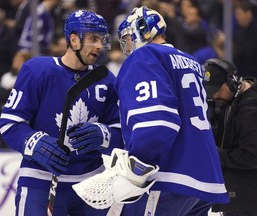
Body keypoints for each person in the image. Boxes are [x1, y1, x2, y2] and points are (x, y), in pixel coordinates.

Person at [0, 9, 123, 216]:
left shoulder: (106, 80)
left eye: (102, 39)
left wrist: (105, 135)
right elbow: (10, 123)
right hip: (40, 180)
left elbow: (122, 133)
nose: (99, 46)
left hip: (91, 185)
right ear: (74, 40)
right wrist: (34, 142)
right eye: (93, 39)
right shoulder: (37, 71)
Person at [108, 6, 229, 215]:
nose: (127, 46)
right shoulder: (190, 61)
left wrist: (137, 168)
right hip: (205, 178)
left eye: (128, 38)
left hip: (169, 176)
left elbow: (156, 125)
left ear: (143, 31)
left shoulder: (145, 56)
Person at [204, 58, 257, 216]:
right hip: (239, 198)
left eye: (218, 89)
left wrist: (214, 155)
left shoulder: (251, 110)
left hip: (249, 202)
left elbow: (252, 156)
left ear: (232, 82)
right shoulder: (232, 100)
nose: (214, 95)